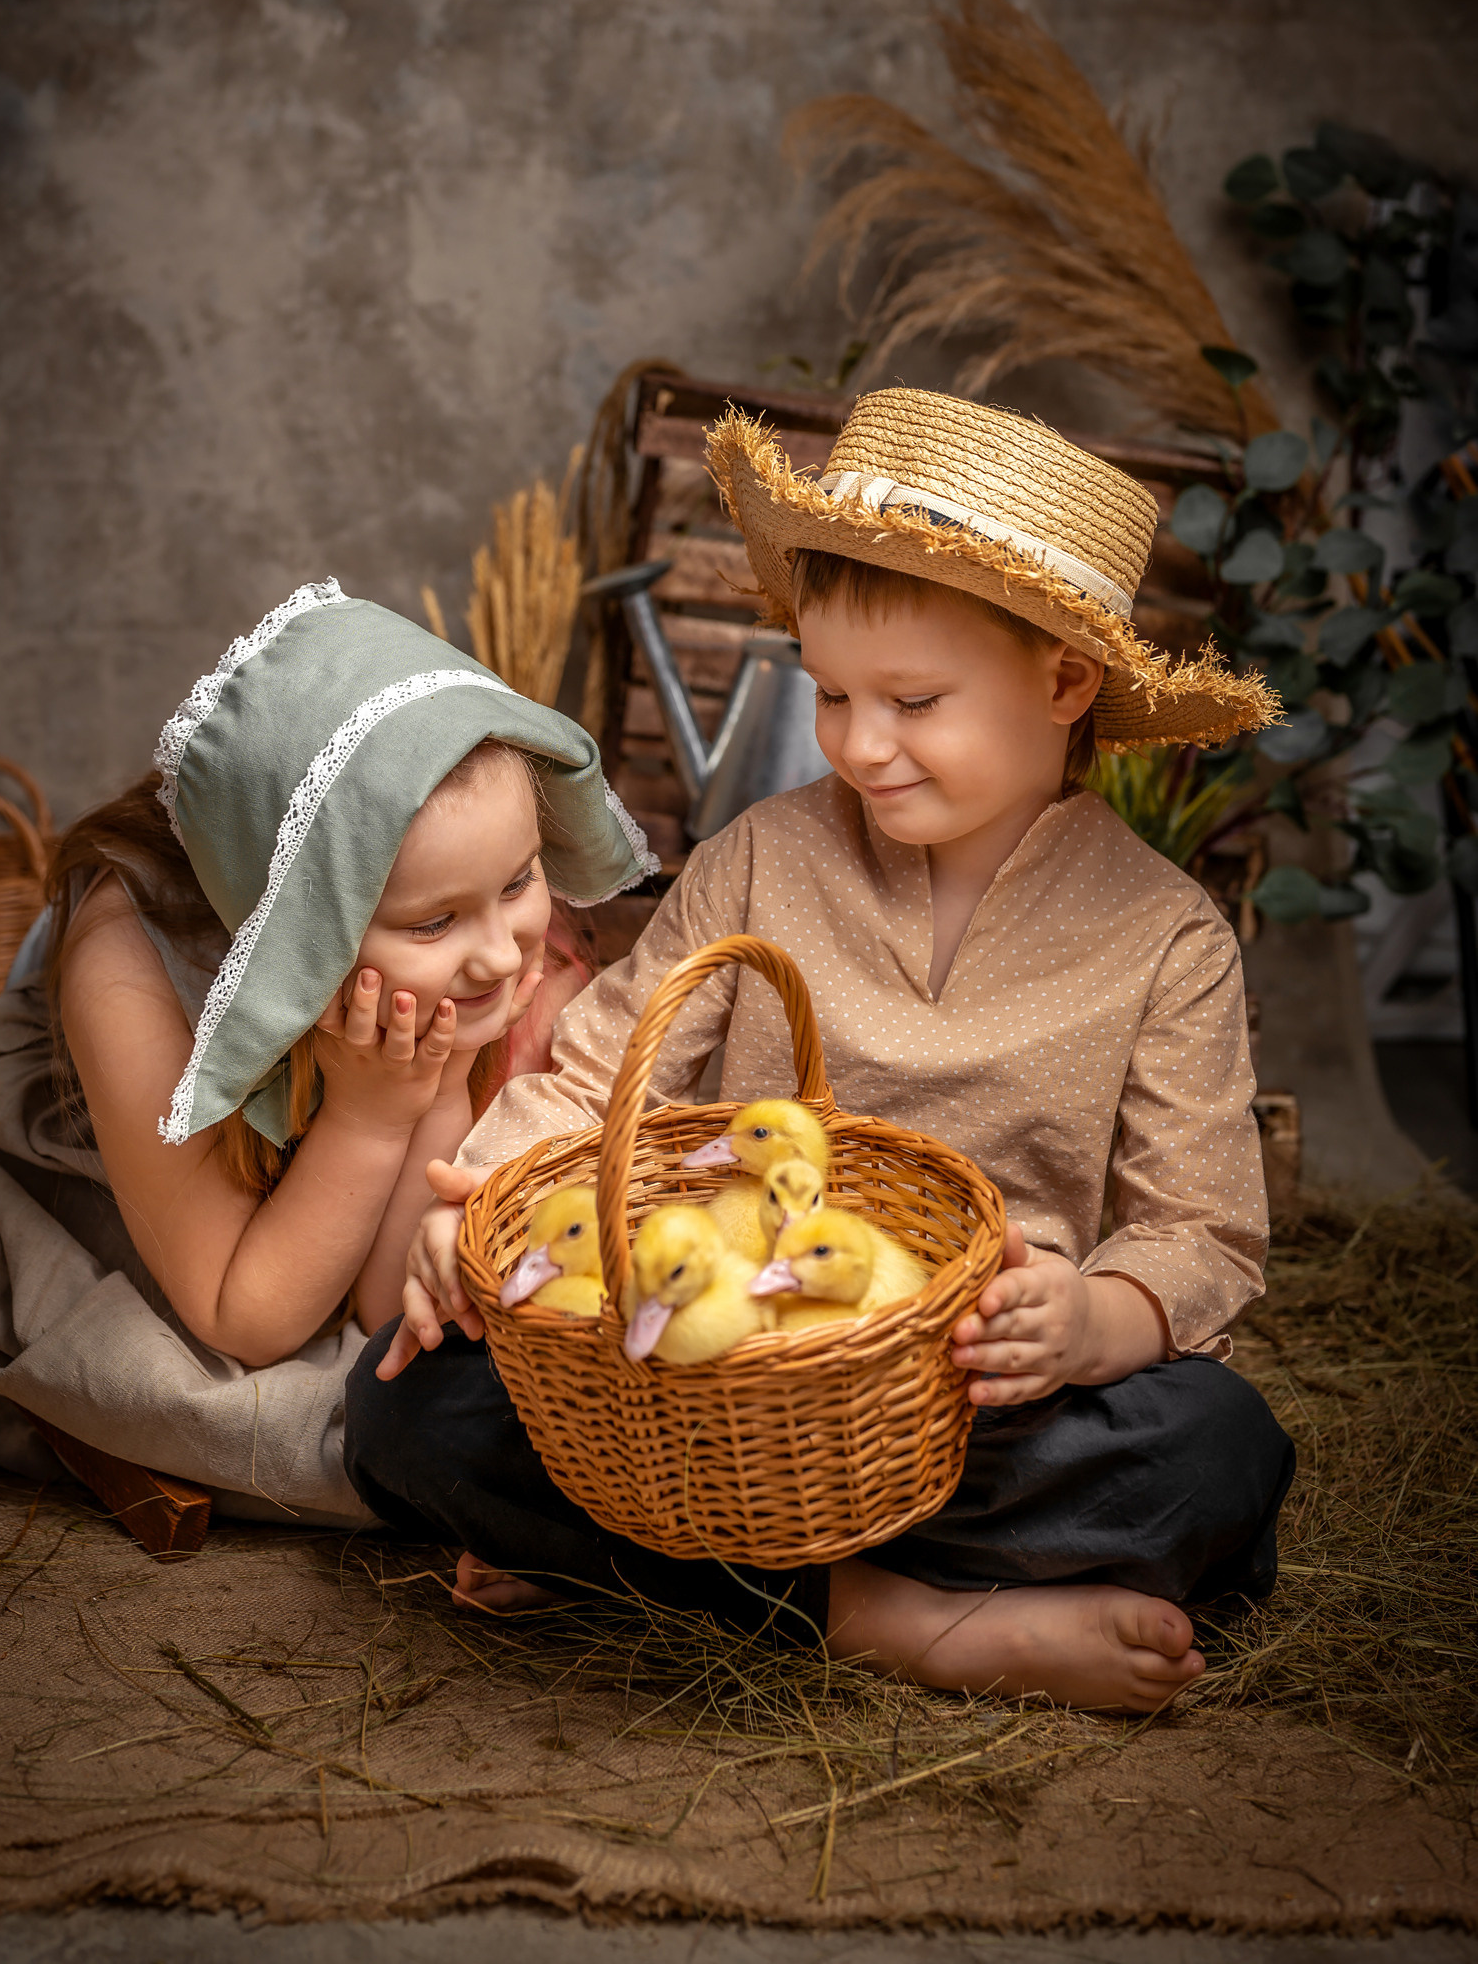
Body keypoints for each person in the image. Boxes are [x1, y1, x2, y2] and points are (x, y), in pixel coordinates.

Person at [344, 390, 1297, 1710]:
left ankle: (628, 1563)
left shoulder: (1165, 937)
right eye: (833, 693)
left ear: (1065, 681)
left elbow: (1200, 1231)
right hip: (707, 1387)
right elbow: (590, 1073)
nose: (857, 743)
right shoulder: (757, 860)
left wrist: (1086, 1324)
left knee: (1219, 1451)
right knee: (401, 1412)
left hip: (972, 1405)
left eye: (911, 700)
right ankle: (908, 1622)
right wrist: (481, 1212)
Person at [0, 580, 653, 1522]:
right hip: (162, 1173)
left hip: (354, 1136)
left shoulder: (478, 956)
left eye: (519, 882)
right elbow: (243, 1321)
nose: (499, 952)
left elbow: (383, 1309)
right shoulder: (121, 959)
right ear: (304, 936)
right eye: (435, 921)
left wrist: (438, 1080)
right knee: (223, 1385)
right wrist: (371, 1115)